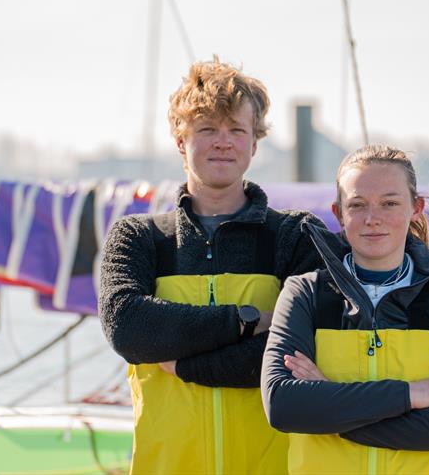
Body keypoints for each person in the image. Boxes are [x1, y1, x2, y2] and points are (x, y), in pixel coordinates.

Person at [99, 58, 324, 475]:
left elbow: (298, 352)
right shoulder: (137, 237)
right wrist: (249, 322)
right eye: (207, 130)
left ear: (254, 144)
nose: (224, 142)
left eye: (237, 130)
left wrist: (185, 365)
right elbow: (129, 329)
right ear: (181, 142)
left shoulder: (296, 236)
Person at [261, 144, 429, 475]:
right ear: (338, 213)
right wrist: (408, 395)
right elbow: (284, 407)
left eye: (389, 203)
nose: (373, 219)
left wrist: (332, 412)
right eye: (357, 205)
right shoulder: (305, 293)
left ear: (416, 207)